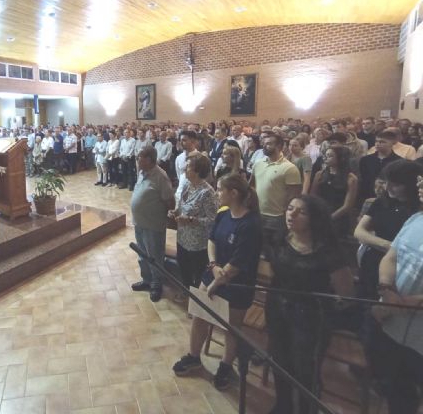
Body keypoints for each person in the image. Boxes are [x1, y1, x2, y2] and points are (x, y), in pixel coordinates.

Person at [266, 195, 355, 414]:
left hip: (310, 317)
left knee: (306, 370)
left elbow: (347, 293)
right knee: (280, 361)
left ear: (315, 219)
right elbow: (276, 275)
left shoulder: (328, 252)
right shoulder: (280, 239)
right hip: (277, 309)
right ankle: (283, 405)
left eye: (301, 212)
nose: (291, 214)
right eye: (289, 209)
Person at [172, 174, 262, 390]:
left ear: (234, 193)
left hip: (237, 283)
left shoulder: (251, 224)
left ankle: (225, 366)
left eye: (220, 189)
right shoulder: (223, 214)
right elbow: (211, 240)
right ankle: (194, 356)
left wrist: (217, 281)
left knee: (232, 327)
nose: (217, 192)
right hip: (214, 273)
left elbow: (239, 262)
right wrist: (213, 265)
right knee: (200, 317)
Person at [361, 175, 423, 414]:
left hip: (418, 336)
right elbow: (391, 256)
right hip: (389, 323)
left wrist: (406, 302)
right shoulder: (416, 219)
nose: (419, 184)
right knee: (396, 392)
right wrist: (387, 289)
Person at [354, 160, 422, 299]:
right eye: (386, 182)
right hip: (373, 261)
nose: (387, 188)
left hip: (399, 268)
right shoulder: (381, 202)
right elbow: (359, 231)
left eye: (395, 184)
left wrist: (393, 249)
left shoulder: (417, 212)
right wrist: (390, 246)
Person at [130, 146, 175, 302]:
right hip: (140, 222)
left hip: (153, 225)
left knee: (155, 256)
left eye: (139, 157)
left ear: (149, 159)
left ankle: (157, 284)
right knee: (142, 254)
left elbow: (170, 200)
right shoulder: (142, 172)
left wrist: (168, 218)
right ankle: (147, 280)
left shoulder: (160, 176)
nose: (137, 160)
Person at [168, 154, 218, 291]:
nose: (185, 169)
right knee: (184, 267)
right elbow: (182, 206)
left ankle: (196, 299)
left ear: (197, 171)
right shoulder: (188, 185)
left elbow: (213, 220)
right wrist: (175, 211)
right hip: (183, 237)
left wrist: (190, 220)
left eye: (188, 166)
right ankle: (186, 291)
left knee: (198, 272)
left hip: (197, 243)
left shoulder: (207, 192)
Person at [250, 132, 302, 246]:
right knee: (257, 247)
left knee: (275, 250)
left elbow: (293, 195)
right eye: (263, 143)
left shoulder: (289, 168)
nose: (264, 146)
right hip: (258, 213)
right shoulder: (258, 164)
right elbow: (251, 186)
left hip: (277, 217)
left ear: (279, 146)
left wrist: (285, 213)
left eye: (268, 144)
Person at [311, 146, 358, 238]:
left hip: (339, 216)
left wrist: (329, 218)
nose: (325, 158)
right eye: (325, 155)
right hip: (320, 213)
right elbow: (312, 196)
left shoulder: (351, 178)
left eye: (330, 156)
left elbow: (347, 205)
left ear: (340, 158)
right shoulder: (320, 174)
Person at [358, 130, 402, 202]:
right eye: (376, 141)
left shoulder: (399, 162)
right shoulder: (365, 160)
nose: (377, 144)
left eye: (382, 142)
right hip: (366, 196)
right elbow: (363, 180)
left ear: (392, 143)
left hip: (390, 198)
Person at [174, 130, 199, 203]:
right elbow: (179, 175)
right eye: (180, 140)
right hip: (180, 194)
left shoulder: (200, 158)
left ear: (193, 141)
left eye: (184, 140)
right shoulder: (179, 158)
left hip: (195, 196)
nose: (181, 143)